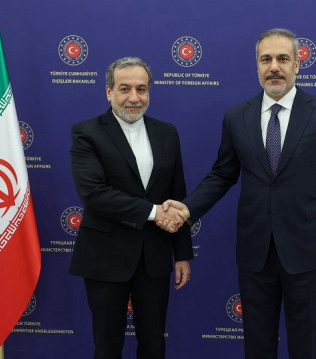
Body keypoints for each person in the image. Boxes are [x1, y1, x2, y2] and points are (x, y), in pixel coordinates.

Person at [161, 28, 316, 358]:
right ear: (257, 66)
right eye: (266, 59)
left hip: (308, 251)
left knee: (305, 344)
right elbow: (222, 175)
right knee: (257, 343)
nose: (274, 67)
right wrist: (186, 210)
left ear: (297, 65)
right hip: (255, 251)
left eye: (283, 59)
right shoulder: (237, 117)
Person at [69, 56, 193, 359]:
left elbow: (178, 194)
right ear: (109, 92)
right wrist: (154, 212)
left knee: (154, 345)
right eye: (125, 89)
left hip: (155, 256)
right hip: (104, 256)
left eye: (141, 89)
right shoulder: (87, 132)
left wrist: (183, 253)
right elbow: (95, 194)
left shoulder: (167, 132)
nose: (134, 98)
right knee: (108, 346)